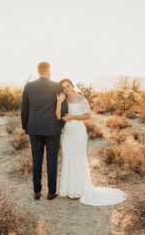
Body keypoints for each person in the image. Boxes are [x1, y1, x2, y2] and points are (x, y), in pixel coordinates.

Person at [56, 78, 127, 206]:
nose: (66, 89)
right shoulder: (63, 100)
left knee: (78, 158)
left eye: (68, 86)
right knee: (68, 158)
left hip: (78, 132)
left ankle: (78, 190)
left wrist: (72, 117)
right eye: (64, 88)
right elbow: (59, 116)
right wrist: (59, 103)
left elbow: (88, 116)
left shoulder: (81, 98)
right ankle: (68, 189)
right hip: (67, 133)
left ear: (72, 86)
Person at [21, 62, 68, 200]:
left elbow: (24, 108)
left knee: (36, 159)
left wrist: (25, 126)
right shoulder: (56, 86)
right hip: (52, 128)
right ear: (48, 70)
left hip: (34, 128)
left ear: (38, 71)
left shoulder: (29, 86)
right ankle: (51, 192)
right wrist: (61, 124)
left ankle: (37, 191)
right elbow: (64, 106)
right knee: (52, 160)